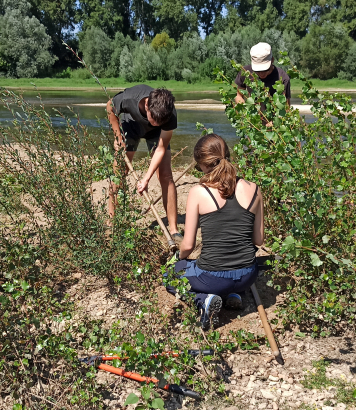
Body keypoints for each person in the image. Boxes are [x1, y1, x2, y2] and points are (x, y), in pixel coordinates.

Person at [167, 134, 264, 330]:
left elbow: (188, 245)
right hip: (247, 276)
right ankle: (236, 294)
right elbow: (259, 239)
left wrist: (178, 258)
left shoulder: (199, 192)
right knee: (233, 271)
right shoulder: (254, 189)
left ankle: (204, 300)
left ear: (203, 165)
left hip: (213, 278)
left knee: (171, 276)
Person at [106, 85, 181, 242]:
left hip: (156, 135)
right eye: (154, 119)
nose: (155, 123)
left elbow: (160, 149)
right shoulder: (129, 100)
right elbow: (110, 107)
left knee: (166, 175)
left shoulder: (168, 114)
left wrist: (146, 178)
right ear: (147, 105)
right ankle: (111, 221)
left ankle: (173, 229)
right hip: (130, 124)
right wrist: (117, 135)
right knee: (120, 173)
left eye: (160, 121)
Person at [233, 42, 291, 125]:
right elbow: (238, 95)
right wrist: (245, 112)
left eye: (265, 70)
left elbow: (286, 109)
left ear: (272, 60)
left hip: (276, 128)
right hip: (252, 126)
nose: (261, 74)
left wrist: (273, 124)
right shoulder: (245, 72)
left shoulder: (283, 78)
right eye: (257, 71)